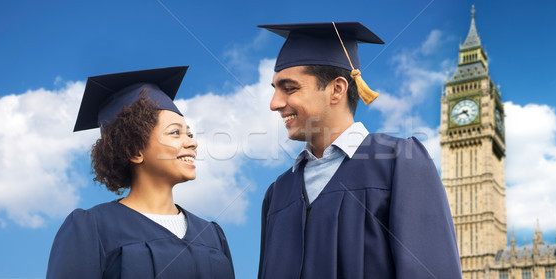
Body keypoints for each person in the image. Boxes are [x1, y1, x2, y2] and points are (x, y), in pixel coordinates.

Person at [257, 22, 462, 278]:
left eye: (289, 88)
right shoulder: (277, 195)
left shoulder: (398, 165)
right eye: (275, 90)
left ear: (337, 89)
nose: (274, 103)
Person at [46, 66, 235, 279]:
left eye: (189, 133)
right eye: (175, 133)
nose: (192, 142)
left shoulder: (212, 235)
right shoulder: (92, 228)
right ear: (135, 150)